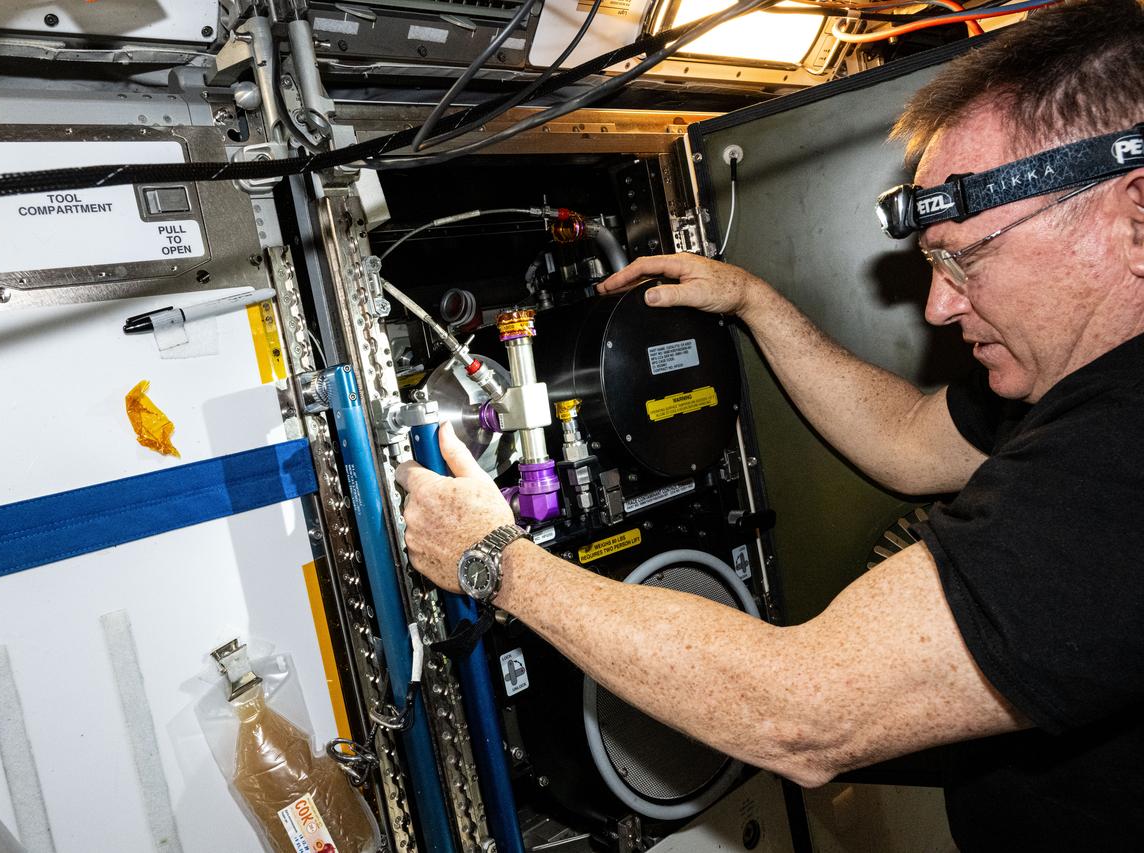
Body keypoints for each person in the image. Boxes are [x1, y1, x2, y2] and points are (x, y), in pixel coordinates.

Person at [395, 0, 1144, 846]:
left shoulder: (1124, 456)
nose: (938, 305)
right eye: (931, 261)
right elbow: (905, 440)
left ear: (1135, 215)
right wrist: (753, 301)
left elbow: (804, 709)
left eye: (965, 256)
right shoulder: (1069, 387)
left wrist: (495, 560)